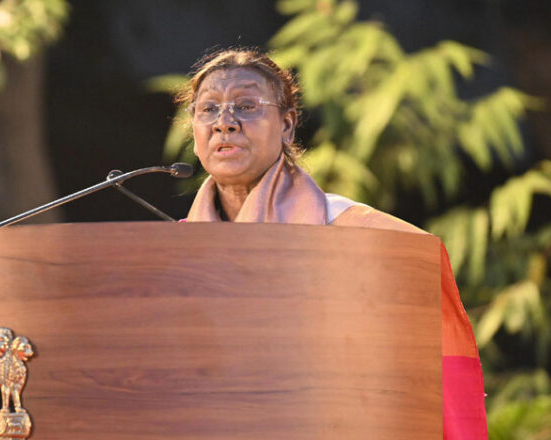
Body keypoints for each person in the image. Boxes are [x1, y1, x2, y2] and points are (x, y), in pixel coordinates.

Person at [180, 48, 488, 439]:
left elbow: (423, 382)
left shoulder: (367, 239)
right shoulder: (169, 257)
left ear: (287, 125)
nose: (225, 123)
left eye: (246, 106)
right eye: (208, 109)